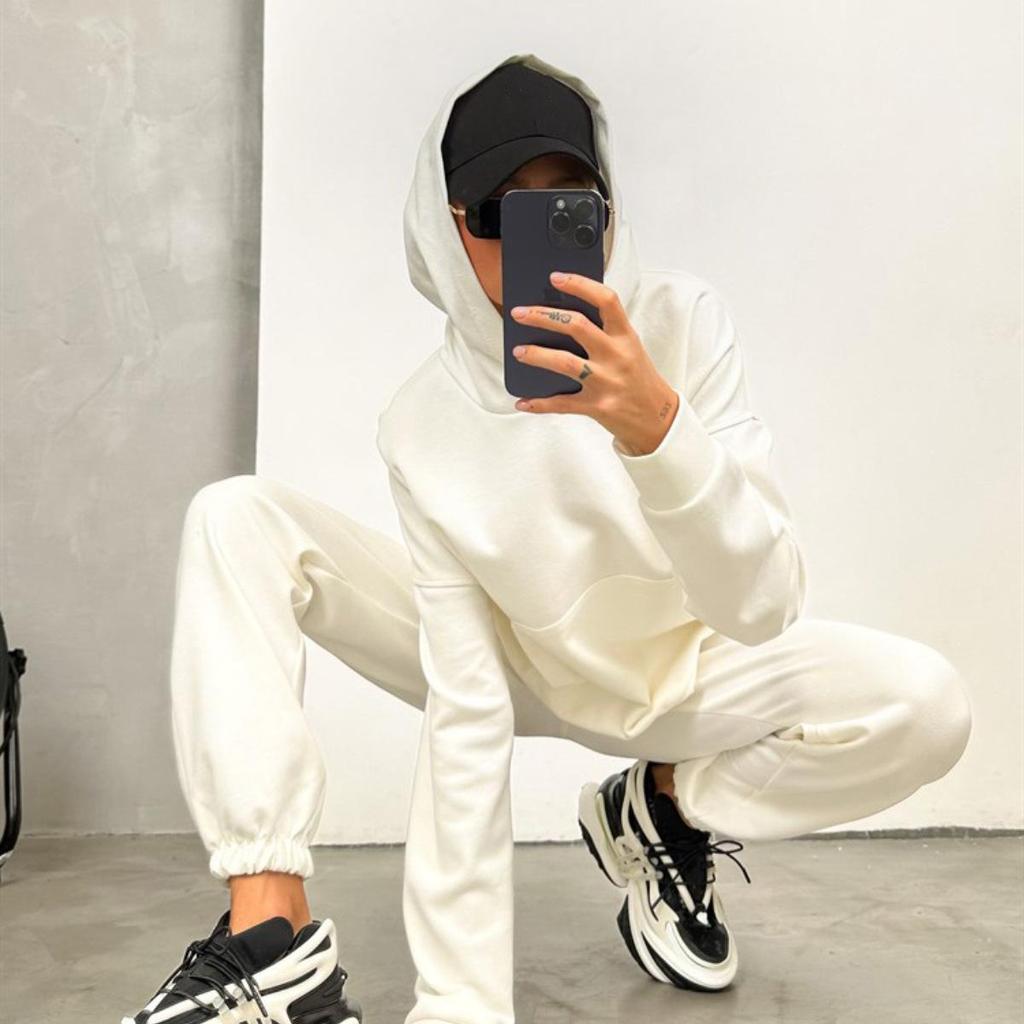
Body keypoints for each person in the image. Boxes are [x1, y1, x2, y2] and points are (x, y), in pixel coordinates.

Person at [120, 53, 973, 1024]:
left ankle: (662, 804)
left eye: (571, 209)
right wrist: (462, 1004)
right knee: (236, 518)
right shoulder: (421, 425)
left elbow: (761, 607)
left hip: (687, 670)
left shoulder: (684, 325)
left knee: (925, 704)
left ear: (607, 211)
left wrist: (657, 430)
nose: (543, 242)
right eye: (501, 213)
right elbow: (466, 718)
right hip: (517, 662)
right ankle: (272, 939)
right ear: (448, 227)